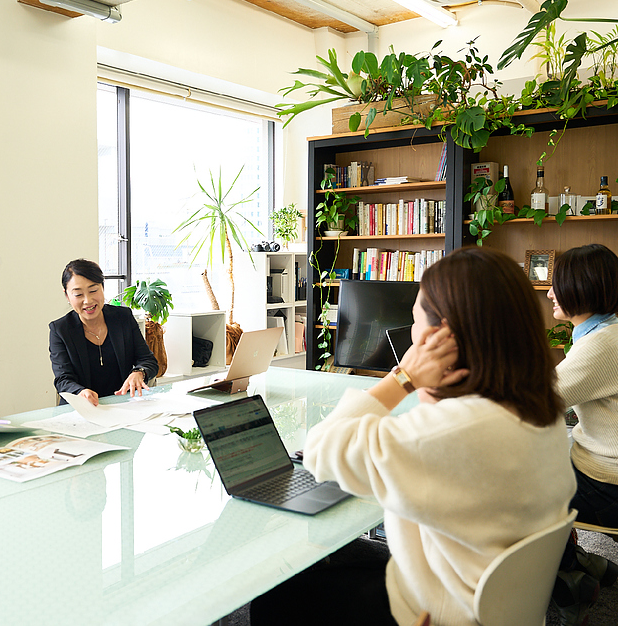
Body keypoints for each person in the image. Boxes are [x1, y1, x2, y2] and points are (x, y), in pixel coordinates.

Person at [250, 247, 575, 626]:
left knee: (276, 590)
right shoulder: (540, 409)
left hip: (428, 611)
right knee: (332, 554)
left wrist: (402, 377)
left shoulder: (451, 434)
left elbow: (322, 453)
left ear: (441, 337)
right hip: (474, 594)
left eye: (414, 320)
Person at [549, 244, 618, 527]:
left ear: (580, 288)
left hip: (605, 485)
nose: (550, 293)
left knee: (514, 496)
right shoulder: (607, 330)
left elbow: (535, 400)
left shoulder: (601, 345)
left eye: (557, 286)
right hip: (602, 471)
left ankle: (571, 567)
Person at [49, 259, 158, 405]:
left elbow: (148, 360)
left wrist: (139, 372)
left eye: (93, 290)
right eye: (78, 295)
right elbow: (63, 379)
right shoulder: (60, 330)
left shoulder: (122, 317)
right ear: (67, 296)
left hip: (122, 406)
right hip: (82, 410)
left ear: (102, 288)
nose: (87, 300)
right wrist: (80, 392)